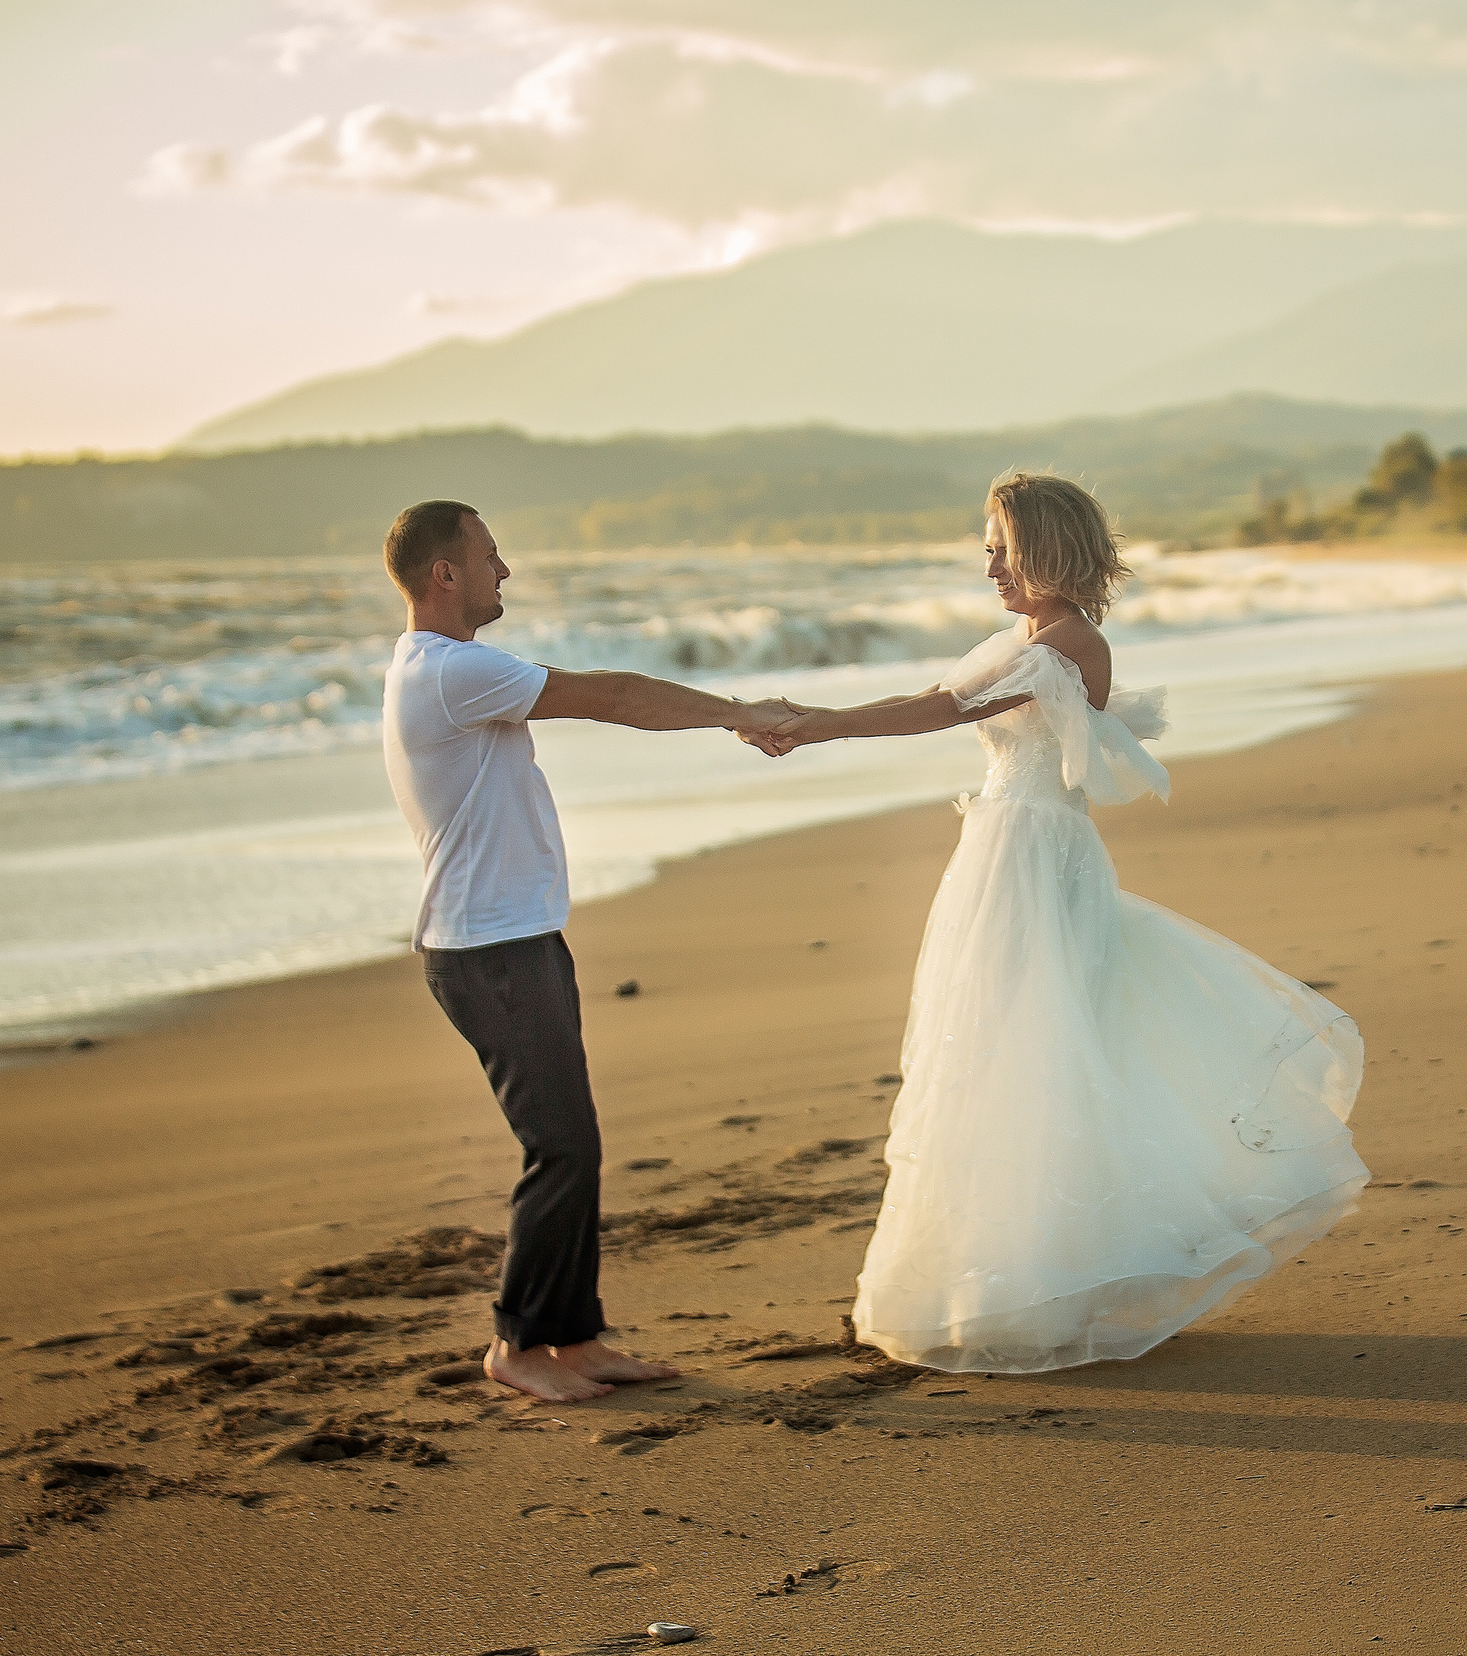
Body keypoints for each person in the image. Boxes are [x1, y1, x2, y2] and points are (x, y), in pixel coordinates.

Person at [744, 473, 1370, 1373]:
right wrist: (816, 719)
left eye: (1002, 547)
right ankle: (1001, 1278)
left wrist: (816, 725)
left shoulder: (1070, 643)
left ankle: (1039, 1283)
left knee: (1030, 1053)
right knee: (994, 1051)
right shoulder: (1029, 636)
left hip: (1035, 862)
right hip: (1003, 857)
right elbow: (940, 690)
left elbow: (942, 710)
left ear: (1048, 550)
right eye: (988, 548)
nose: (989, 564)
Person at [380, 499, 796, 1403]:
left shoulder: (441, 669)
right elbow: (611, 696)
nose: (506, 571)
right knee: (558, 1148)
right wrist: (738, 711)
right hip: (487, 948)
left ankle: (575, 1334)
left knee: (575, 1144)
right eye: (490, 556)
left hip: (514, 937)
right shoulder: (450, 670)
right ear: (444, 573)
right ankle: (519, 1345)